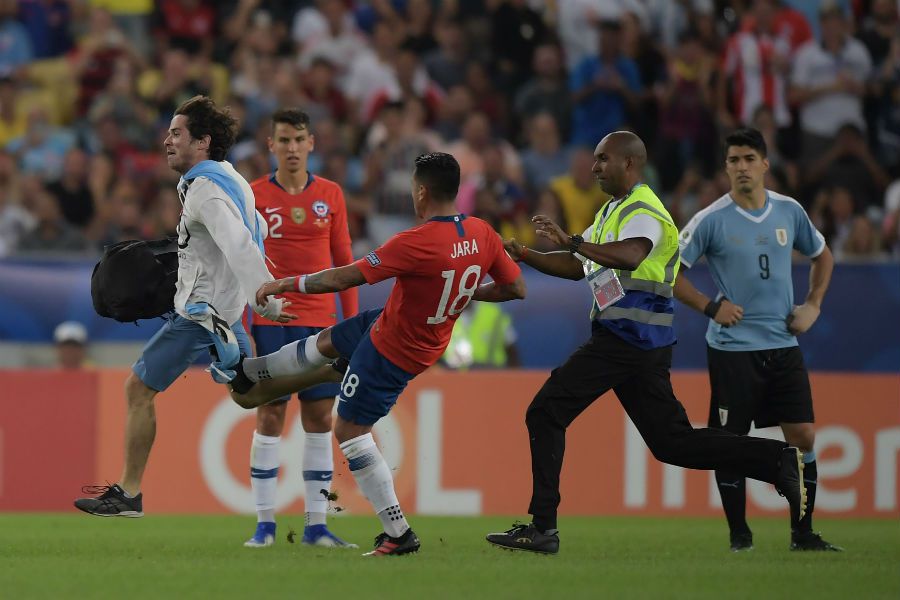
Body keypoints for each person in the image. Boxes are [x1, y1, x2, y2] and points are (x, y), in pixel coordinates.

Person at [483, 131, 807, 555]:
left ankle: (543, 527)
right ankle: (776, 460)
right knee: (672, 442)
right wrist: (524, 254)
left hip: (626, 337)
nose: (595, 167)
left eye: (603, 159)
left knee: (545, 412)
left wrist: (574, 241)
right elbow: (577, 267)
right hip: (639, 342)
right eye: (595, 159)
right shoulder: (612, 210)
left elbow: (632, 254)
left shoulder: (644, 208)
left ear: (629, 164)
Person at [230, 152, 527, 556]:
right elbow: (515, 288)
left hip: (395, 349)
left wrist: (286, 283)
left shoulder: (416, 241)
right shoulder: (483, 233)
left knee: (349, 430)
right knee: (328, 342)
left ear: (421, 191)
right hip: (395, 323)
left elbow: (343, 276)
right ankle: (253, 370)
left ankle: (398, 532)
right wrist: (464, 293)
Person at [74, 95, 294, 517]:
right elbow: (259, 228)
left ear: (203, 142)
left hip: (201, 315)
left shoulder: (205, 190)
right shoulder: (232, 179)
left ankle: (129, 493)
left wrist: (263, 295)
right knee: (249, 394)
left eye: (177, 133)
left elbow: (239, 243)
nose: (167, 140)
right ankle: (321, 359)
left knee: (137, 388)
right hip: (226, 315)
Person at [674, 128, 840, 552]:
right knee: (730, 444)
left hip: (783, 345)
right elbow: (670, 271)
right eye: (733, 160)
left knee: (802, 435)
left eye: (749, 158)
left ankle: (803, 534)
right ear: (725, 168)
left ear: (765, 164)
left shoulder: (789, 211)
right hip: (733, 350)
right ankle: (739, 536)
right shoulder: (711, 219)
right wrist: (713, 307)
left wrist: (813, 305)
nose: (742, 167)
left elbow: (822, 255)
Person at [243, 108, 358, 549]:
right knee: (270, 414)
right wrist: (244, 324)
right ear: (270, 145)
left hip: (322, 323)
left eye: (299, 140)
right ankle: (264, 526)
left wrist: (350, 329)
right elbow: (241, 263)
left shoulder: (331, 194)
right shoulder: (253, 195)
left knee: (318, 418)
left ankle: (316, 526)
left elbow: (345, 263)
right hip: (272, 320)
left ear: (312, 143)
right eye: (284, 140)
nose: (292, 148)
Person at [441, 301, 520, 369]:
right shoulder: (441, 314)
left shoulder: (493, 312)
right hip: (452, 377)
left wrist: (514, 380)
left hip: (490, 375)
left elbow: (511, 349)